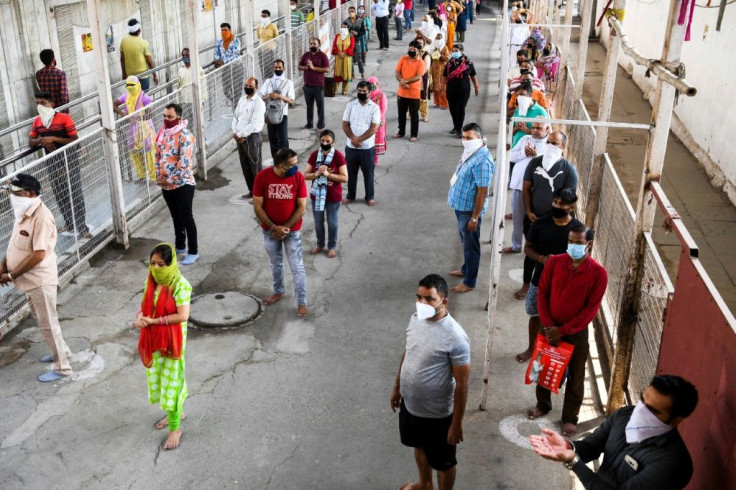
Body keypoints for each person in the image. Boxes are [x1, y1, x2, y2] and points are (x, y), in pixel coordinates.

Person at [531, 375, 699, 489]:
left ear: (676, 420)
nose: (640, 411)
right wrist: (568, 445)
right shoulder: (625, 415)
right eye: (642, 399)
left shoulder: (671, 463)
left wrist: (573, 462)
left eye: (653, 411)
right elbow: (592, 446)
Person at [390, 274, 470, 490]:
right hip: (412, 406)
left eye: (429, 299)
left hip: (438, 416)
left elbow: (462, 385)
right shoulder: (415, 318)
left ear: (444, 301)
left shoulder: (456, 337)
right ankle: (425, 484)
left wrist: (456, 423)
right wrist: (398, 386)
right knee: (419, 445)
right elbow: (408, 352)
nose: (422, 303)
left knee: (443, 462)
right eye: (419, 297)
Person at [526, 224, 607, 437]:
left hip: (575, 331)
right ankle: (542, 404)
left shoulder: (599, 274)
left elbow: (590, 310)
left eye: (579, 243)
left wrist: (562, 330)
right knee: (544, 367)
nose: (573, 246)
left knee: (576, 375)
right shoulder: (554, 262)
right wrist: (548, 324)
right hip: (549, 326)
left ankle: (570, 418)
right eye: (571, 241)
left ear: (588, 244)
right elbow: (542, 293)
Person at [0, 174, 74, 383]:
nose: (12, 196)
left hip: (40, 280)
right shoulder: (23, 211)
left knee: (48, 323)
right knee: (43, 320)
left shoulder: (41, 217)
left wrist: (12, 274)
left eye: (16, 192)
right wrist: (4, 265)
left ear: (31, 194)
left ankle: (63, 368)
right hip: (29, 280)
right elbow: (15, 244)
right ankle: (63, 352)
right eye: (10, 191)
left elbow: (38, 254)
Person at [133, 243, 192, 450]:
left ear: (171, 264)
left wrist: (153, 322)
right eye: (152, 264)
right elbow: (143, 307)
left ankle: (175, 428)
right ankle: (176, 413)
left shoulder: (180, 285)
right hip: (154, 341)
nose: (156, 269)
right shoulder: (150, 281)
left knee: (171, 385)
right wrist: (141, 318)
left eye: (161, 265)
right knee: (164, 380)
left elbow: (183, 315)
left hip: (171, 344)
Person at [515, 188, 582, 364]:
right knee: (536, 314)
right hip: (541, 277)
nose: (557, 206)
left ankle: (553, 351)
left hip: (565, 281)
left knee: (560, 317)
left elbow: (583, 256)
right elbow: (528, 248)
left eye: (562, 203)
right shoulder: (540, 224)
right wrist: (542, 259)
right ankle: (532, 348)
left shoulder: (577, 229)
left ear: (571, 206)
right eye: (555, 202)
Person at [515, 131, 577, 300]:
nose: (550, 145)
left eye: (554, 143)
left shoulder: (568, 170)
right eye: (548, 142)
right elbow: (526, 188)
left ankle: (550, 286)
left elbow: (568, 197)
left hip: (555, 222)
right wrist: (528, 211)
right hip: (534, 218)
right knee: (531, 252)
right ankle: (527, 284)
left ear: (563, 147)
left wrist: (555, 218)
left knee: (554, 256)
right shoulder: (535, 163)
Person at [252, 149, 309, 317]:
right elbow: (258, 207)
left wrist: (285, 228)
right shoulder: (262, 177)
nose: (296, 167)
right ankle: (278, 291)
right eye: (292, 164)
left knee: (297, 267)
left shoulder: (298, 178)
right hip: (269, 231)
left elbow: (302, 207)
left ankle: (302, 302)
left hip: (292, 231)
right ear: (281, 166)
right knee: (275, 264)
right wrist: (273, 228)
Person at [29, 92, 91, 239]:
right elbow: (30, 141)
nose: (40, 106)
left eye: (43, 103)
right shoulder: (38, 121)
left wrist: (53, 138)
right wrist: (42, 140)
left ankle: (82, 227)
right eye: (37, 103)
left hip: (69, 158)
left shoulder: (64, 118)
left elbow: (74, 139)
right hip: (52, 161)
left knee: (75, 191)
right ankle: (69, 223)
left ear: (51, 104)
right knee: (60, 193)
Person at [447, 123, 494, 293]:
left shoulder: (482, 161)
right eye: (464, 137)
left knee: (471, 246)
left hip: (469, 211)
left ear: (479, 138)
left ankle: (469, 281)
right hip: (461, 206)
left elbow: (482, 191)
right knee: (465, 241)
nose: (465, 141)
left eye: (470, 138)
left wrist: (474, 217)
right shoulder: (471, 152)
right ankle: (466, 269)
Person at [155, 103, 199, 265]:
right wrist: (158, 176)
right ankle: (180, 245)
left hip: (183, 184)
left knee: (186, 217)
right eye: (165, 116)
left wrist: (170, 179)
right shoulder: (163, 133)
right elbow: (157, 155)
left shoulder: (185, 135)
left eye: (170, 116)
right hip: (166, 185)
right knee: (175, 217)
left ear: (178, 117)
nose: (166, 119)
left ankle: (193, 251)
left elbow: (184, 162)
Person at [503, 120, 549, 255]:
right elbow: (510, 156)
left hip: (537, 189)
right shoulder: (525, 139)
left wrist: (536, 156)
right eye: (533, 127)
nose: (534, 130)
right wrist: (524, 154)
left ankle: (536, 247)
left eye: (539, 128)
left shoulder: (549, 145)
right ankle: (516, 245)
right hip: (518, 185)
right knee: (518, 217)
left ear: (547, 130)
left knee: (536, 219)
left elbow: (549, 166)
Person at [304, 130, 348, 258]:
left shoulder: (338, 156)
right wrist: (316, 174)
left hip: (333, 196)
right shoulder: (314, 155)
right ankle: (320, 244)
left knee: (332, 223)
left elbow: (345, 178)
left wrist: (329, 175)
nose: (324, 143)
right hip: (317, 195)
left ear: (333, 142)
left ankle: (332, 246)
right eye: (322, 141)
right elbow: (305, 175)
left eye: (328, 141)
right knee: (318, 223)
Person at [342, 81, 380, 205]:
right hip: (351, 147)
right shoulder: (351, 105)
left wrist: (360, 140)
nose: (361, 93)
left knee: (368, 173)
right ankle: (350, 195)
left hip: (367, 148)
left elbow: (374, 128)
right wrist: (353, 138)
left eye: (364, 91)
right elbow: (345, 124)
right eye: (359, 91)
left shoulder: (374, 108)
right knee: (351, 173)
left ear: (370, 93)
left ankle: (369, 197)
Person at [113, 76, 157, 182]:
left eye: (132, 85)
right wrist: (123, 115)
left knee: (149, 151)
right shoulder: (125, 96)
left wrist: (138, 117)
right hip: (133, 129)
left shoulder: (144, 97)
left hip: (145, 127)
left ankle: (153, 176)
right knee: (134, 152)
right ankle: (141, 175)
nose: (130, 87)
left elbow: (151, 113)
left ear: (138, 85)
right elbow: (114, 104)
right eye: (127, 85)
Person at [232, 77, 265, 200]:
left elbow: (255, 124)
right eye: (246, 85)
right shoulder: (242, 100)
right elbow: (236, 117)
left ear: (256, 88)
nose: (248, 88)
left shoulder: (259, 103)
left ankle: (259, 194)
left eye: (251, 86)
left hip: (252, 138)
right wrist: (235, 132)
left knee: (255, 167)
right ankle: (252, 191)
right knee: (245, 166)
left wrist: (240, 135)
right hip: (240, 137)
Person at [259, 60, 295, 158]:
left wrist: (279, 96)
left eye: (280, 67)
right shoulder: (268, 82)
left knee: (283, 139)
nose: (278, 69)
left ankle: (286, 159)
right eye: (276, 67)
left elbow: (291, 100)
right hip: (270, 114)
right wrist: (268, 96)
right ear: (273, 68)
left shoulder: (288, 83)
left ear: (284, 68)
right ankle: (275, 160)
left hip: (282, 114)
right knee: (273, 138)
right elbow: (261, 98)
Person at [394, 41, 426, 143]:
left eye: (414, 49)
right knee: (401, 113)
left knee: (414, 115)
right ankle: (401, 132)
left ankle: (413, 134)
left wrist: (406, 81)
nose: (411, 51)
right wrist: (401, 81)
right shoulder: (403, 58)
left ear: (418, 50)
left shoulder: (421, 62)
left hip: (414, 93)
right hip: (402, 91)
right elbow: (397, 71)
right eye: (410, 49)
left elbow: (419, 76)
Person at [444, 44, 479, 137]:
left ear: (461, 51)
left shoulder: (468, 62)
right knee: (452, 109)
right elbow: (444, 75)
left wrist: (476, 86)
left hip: (464, 90)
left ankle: (459, 129)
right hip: (451, 90)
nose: (454, 52)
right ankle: (456, 126)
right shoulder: (449, 63)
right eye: (453, 51)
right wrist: (441, 86)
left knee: (460, 109)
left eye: (456, 51)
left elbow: (473, 75)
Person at [299, 38, 330, 130]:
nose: (312, 45)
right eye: (311, 43)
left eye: (314, 44)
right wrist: (305, 67)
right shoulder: (306, 55)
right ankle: (309, 123)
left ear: (319, 45)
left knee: (320, 106)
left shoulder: (323, 56)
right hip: (307, 85)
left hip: (318, 86)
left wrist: (313, 68)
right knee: (309, 106)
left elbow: (327, 69)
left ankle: (320, 125)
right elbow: (299, 66)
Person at [120, 19, 157, 92]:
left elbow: (122, 59)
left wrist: (124, 73)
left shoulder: (123, 41)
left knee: (133, 99)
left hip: (130, 77)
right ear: (139, 30)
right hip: (143, 77)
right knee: (143, 98)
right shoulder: (144, 43)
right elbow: (149, 62)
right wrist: (155, 75)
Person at [510, 83, 549, 148]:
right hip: (515, 148)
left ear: (530, 95)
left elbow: (545, 135)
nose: (519, 97)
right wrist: (516, 128)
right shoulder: (518, 110)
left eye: (522, 94)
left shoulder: (540, 111)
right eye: (518, 95)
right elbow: (511, 132)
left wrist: (527, 130)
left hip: (531, 150)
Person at [213, 23, 243, 107]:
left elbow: (236, 55)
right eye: (222, 30)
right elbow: (216, 53)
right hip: (226, 69)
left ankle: (237, 104)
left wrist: (223, 62)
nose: (223, 32)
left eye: (225, 30)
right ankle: (236, 102)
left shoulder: (235, 40)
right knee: (226, 90)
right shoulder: (219, 41)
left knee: (237, 88)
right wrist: (217, 60)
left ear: (230, 30)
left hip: (236, 67)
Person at [177, 48, 208, 117]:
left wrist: (202, 100)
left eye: (187, 55)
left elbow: (203, 85)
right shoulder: (181, 70)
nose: (185, 57)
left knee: (197, 120)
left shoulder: (198, 69)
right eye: (183, 55)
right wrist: (178, 101)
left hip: (196, 100)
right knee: (187, 122)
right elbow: (178, 86)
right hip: (185, 101)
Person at [368, 77, 388, 163]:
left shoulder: (381, 95)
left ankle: (375, 159)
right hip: (368, 121)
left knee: (376, 140)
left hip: (378, 121)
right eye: (370, 84)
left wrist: (375, 118)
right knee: (368, 140)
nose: (372, 86)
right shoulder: (366, 94)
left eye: (374, 84)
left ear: (377, 84)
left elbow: (383, 110)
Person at [332, 23, 355, 96]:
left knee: (346, 72)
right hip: (338, 57)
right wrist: (339, 52)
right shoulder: (337, 36)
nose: (343, 27)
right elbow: (334, 46)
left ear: (348, 28)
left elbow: (351, 47)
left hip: (347, 57)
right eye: (342, 26)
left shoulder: (351, 37)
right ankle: (335, 89)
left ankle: (344, 90)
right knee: (337, 73)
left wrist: (344, 52)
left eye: (345, 26)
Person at [345, 6, 367, 81]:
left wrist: (357, 33)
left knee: (358, 58)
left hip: (356, 41)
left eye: (352, 11)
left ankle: (362, 74)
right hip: (348, 42)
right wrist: (348, 31)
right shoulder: (346, 21)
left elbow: (363, 31)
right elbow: (343, 31)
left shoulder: (360, 20)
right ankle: (352, 73)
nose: (351, 13)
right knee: (349, 58)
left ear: (355, 12)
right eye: (350, 11)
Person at [430, 31, 450, 110]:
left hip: (442, 69)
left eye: (439, 38)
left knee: (442, 86)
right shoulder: (434, 46)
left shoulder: (445, 48)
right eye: (436, 38)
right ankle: (437, 102)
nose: (437, 40)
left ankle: (444, 103)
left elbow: (447, 58)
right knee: (435, 86)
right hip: (434, 68)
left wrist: (439, 54)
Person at [415, 36, 432, 123]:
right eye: (417, 43)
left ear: (423, 44)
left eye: (421, 43)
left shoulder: (426, 54)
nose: (419, 45)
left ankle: (424, 115)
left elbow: (426, 67)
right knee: (411, 96)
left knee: (423, 96)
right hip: (412, 78)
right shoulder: (411, 53)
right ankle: (410, 112)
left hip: (422, 78)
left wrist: (417, 75)